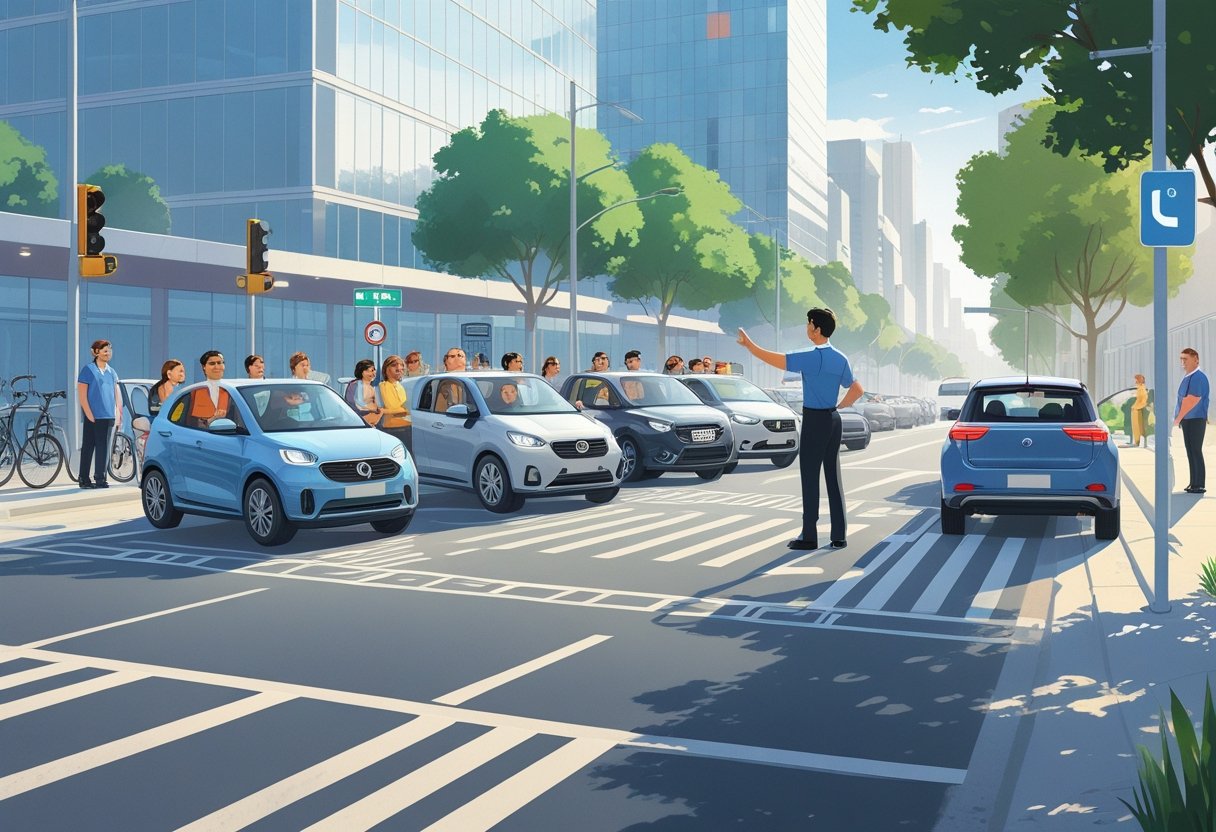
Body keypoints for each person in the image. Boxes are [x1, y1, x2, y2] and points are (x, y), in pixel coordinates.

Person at [738, 308, 863, 550]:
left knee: (809, 477)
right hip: (833, 419)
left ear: (817, 330)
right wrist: (838, 405)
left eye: (809, 324)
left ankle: (809, 536)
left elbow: (777, 360)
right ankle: (839, 535)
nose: (806, 327)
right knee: (833, 477)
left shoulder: (811, 356)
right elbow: (857, 389)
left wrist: (750, 347)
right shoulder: (840, 358)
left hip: (815, 420)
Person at [76, 339, 122, 489]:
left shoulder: (112, 372)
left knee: (104, 448)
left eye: (109, 350)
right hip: (93, 416)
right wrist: (89, 415)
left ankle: (100, 478)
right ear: (95, 352)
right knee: (88, 447)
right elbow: (82, 395)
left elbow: (116, 394)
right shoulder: (88, 370)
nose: (108, 353)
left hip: (108, 416)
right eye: (104, 350)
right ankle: (83, 478)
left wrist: (118, 414)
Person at [1175, 348, 1209, 494]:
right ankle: (1193, 482)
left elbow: (1191, 400)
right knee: (1190, 451)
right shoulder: (1188, 377)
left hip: (1196, 419)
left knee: (1195, 450)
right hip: (1188, 420)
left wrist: (1177, 418)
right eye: (1181, 359)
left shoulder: (1198, 377)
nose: (1183, 362)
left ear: (1196, 359)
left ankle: (1199, 484)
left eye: (1186, 359)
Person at [188, 350, 231, 428]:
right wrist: (214, 418)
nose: (217, 367)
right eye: (212, 363)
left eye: (220, 363)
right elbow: (193, 422)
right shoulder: (196, 391)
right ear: (203, 367)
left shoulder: (231, 389)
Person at [379, 354, 412, 452]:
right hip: (393, 429)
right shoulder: (384, 386)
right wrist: (404, 410)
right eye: (394, 365)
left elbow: (404, 408)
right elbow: (393, 407)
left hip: (406, 427)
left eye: (401, 365)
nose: (399, 368)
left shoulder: (400, 386)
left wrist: (404, 409)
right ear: (386, 369)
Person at [347, 359, 383, 426]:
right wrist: (374, 409)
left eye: (373, 370)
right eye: (367, 371)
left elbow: (379, 405)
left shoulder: (372, 387)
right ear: (361, 372)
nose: (371, 373)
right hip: (359, 420)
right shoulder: (356, 384)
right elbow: (359, 404)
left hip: (372, 422)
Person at [1125, 374, 1148, 448]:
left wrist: (1136, 407)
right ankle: (1136, 441)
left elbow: (1143, 401)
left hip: (1137, 410)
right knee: (1136, 426)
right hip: (1136, 409)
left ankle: (1137, 441)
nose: (1135, 381)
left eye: (1136, 380)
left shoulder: (1142, 389)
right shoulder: (1139, 389)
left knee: (1137, 426)